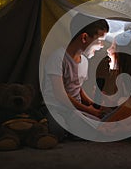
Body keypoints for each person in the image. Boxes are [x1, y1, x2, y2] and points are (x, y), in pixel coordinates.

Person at [41, 13, 109, 141]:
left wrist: (92, 103)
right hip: (56, 107)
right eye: (99, 41)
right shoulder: (58, 58)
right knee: (57, 130)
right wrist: (89, 110)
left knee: (97, 124)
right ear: (84, 38)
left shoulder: (84, 61)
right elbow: (60, 95)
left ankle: (74, 129)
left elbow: (78, 87)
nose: (101, 46)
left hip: (74, 110)